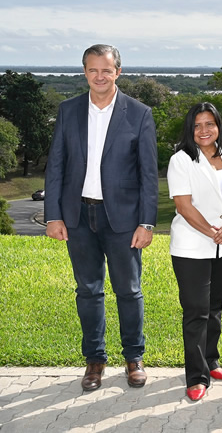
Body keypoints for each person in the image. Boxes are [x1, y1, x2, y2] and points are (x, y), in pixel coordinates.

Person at [44, 44, 158, 391]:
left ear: (118, 72)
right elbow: (57, 165)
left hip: (123, 219)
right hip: (78, 216)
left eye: (106, 70)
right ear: (84, 72)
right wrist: (54, 216)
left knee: (129, 290)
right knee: (88, 291)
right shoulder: (69, 110)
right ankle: (95, 361)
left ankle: (133, 359)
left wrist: (147, 222)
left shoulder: (139, 113)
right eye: (93, 70)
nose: (99, 76)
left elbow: (148, 174)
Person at [166, 102, 222, 401]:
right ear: (190, 128)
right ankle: (196, 376)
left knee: (215, 308)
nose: (204, 130)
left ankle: (211, 361)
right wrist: (217, 233)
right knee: (196, 312)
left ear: (219, 127)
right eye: (198, 125)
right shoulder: (181, 160)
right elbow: (184, 207)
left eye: (209, 124)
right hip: (192, 246)